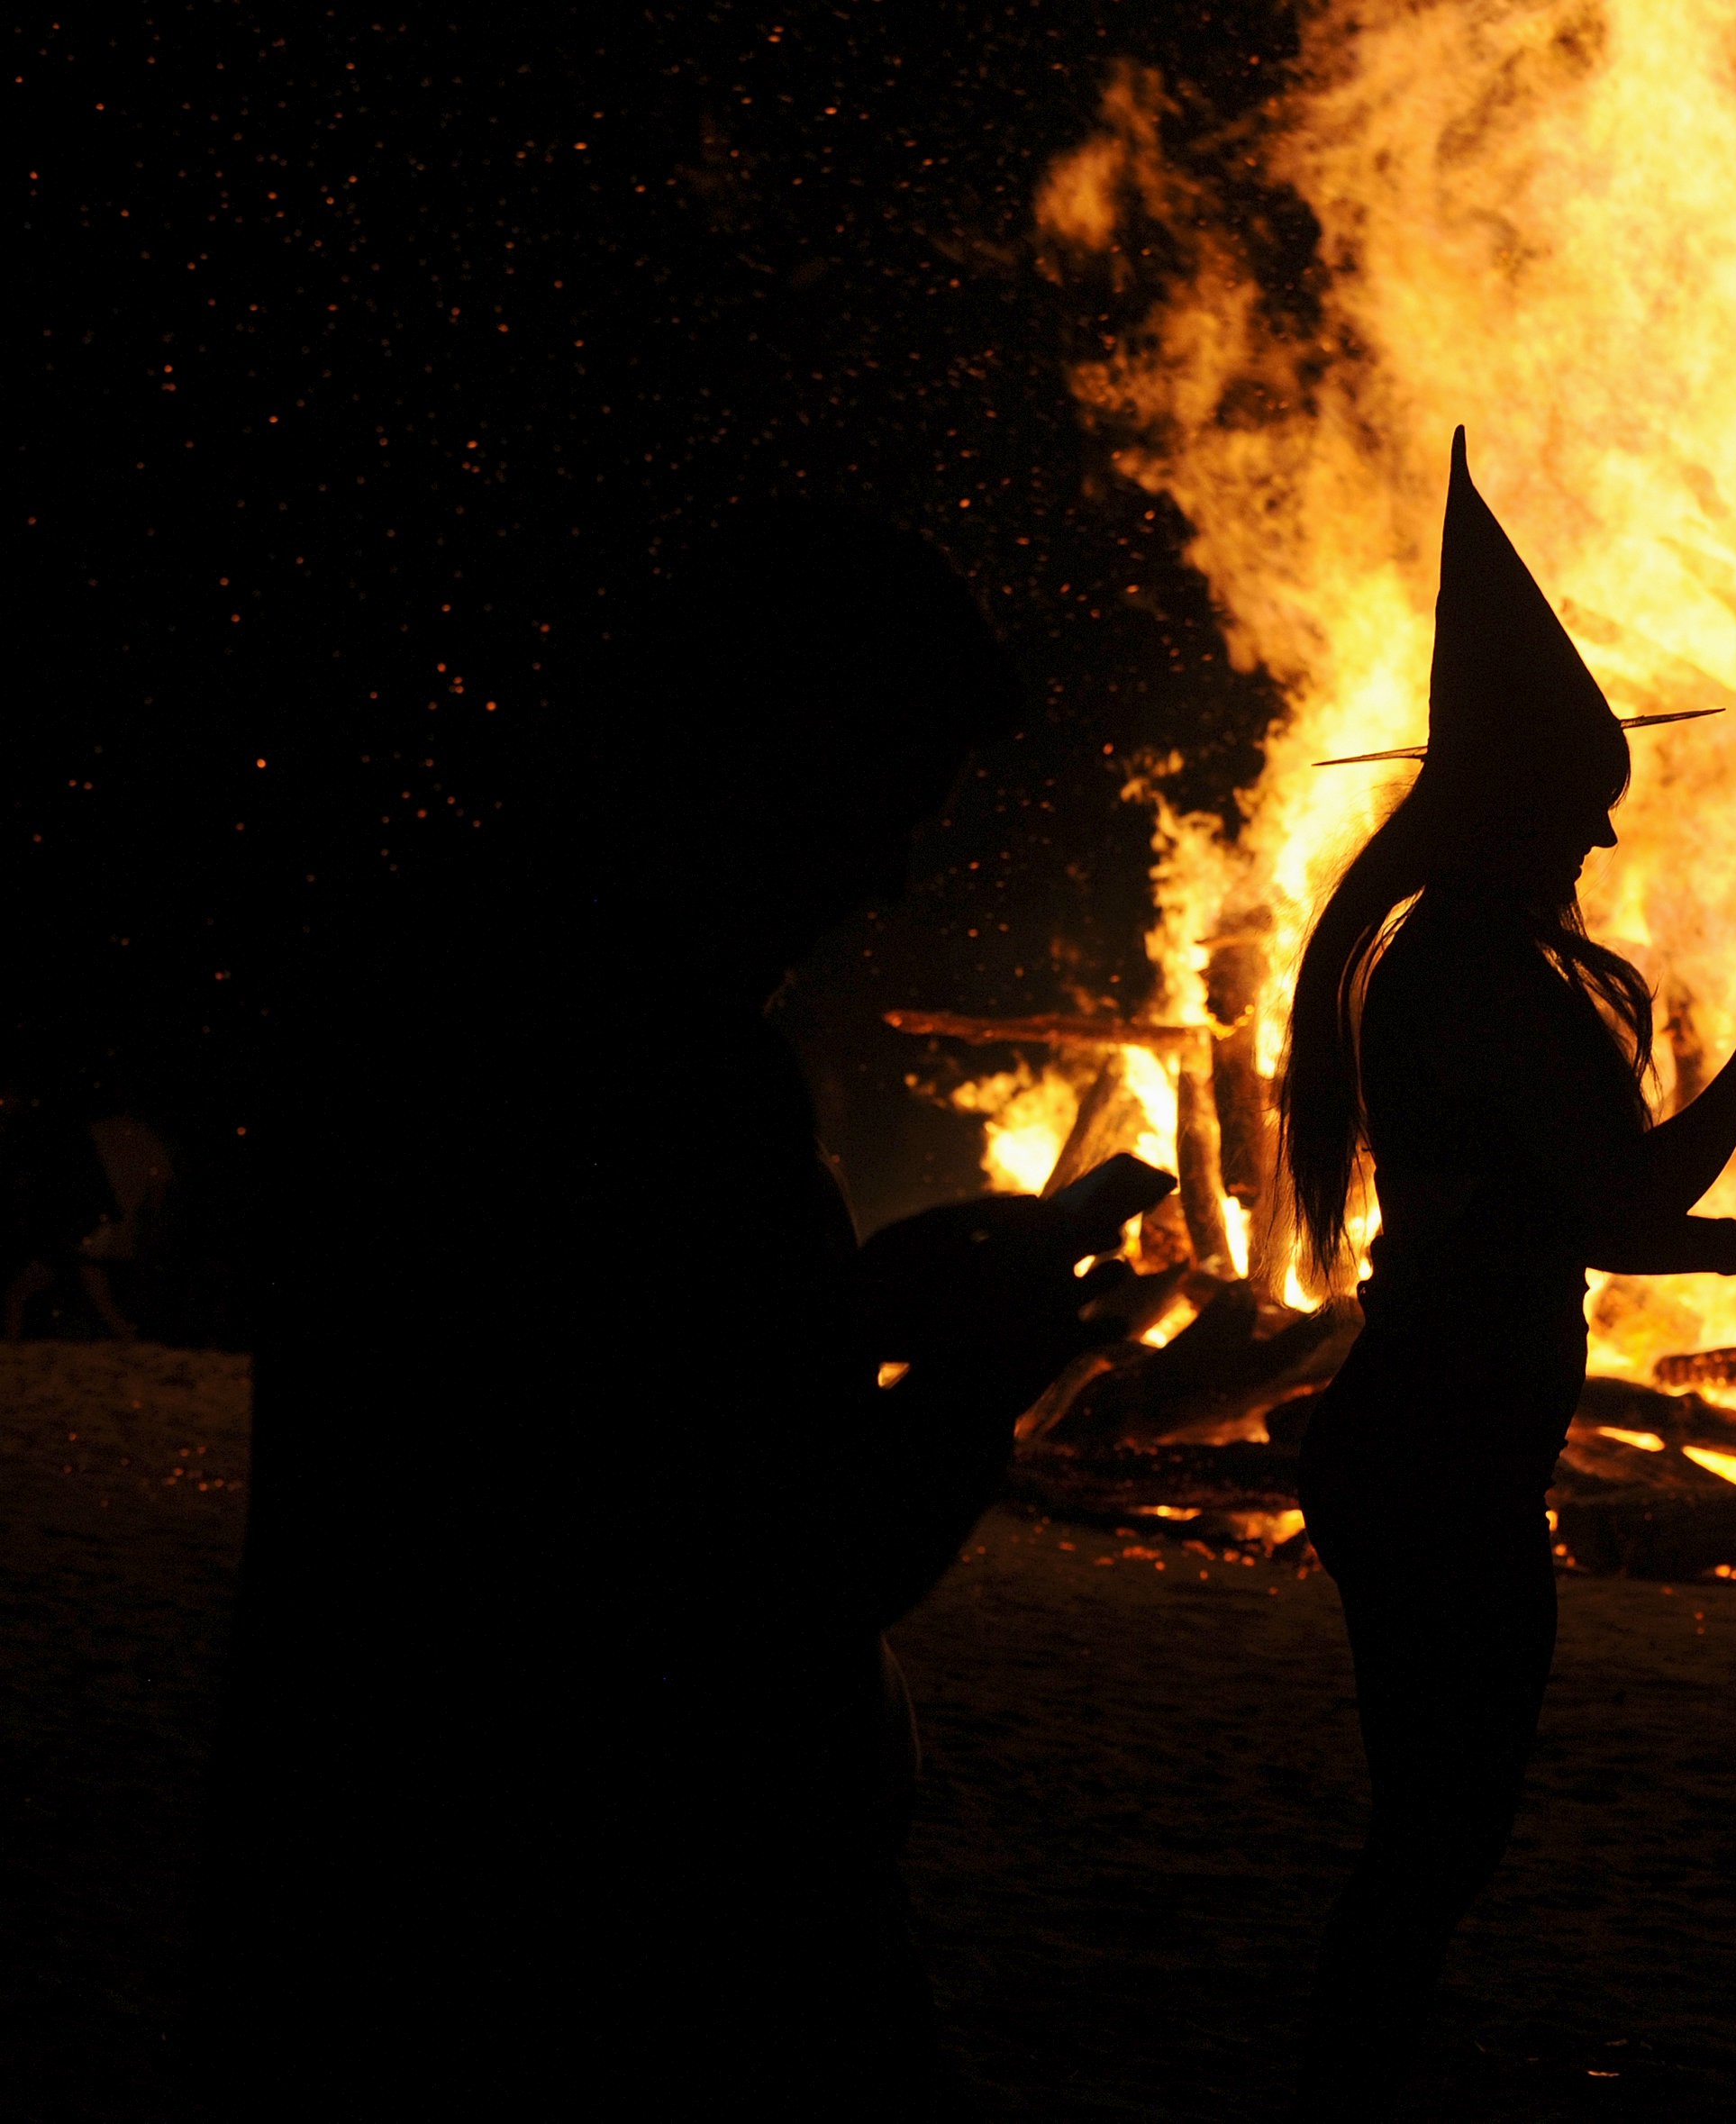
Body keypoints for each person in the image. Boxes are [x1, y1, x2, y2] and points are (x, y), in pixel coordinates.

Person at [197, 508, 1135, 2117]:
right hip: (623, 1916)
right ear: (767, 753)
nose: (889, 869)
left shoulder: (445, 974)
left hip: (374, 1848)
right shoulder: (662, 1071)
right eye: (882, 803)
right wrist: (990, 1368)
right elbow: (772, 1555)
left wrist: (876, 1291)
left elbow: (581, 1382)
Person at [1279, 431, 1736, 2116]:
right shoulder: (1468, 970)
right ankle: (1347, 2073)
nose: (1599, 850)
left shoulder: (1475, 956)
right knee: (1439, 1822)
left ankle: (1367, 2058)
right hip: (1431, 1456)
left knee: (1445, 1817)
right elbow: (1612, 1200)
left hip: (1444, 1449)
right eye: (1587, 821)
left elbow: (1562, 1215)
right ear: (1524, 804)